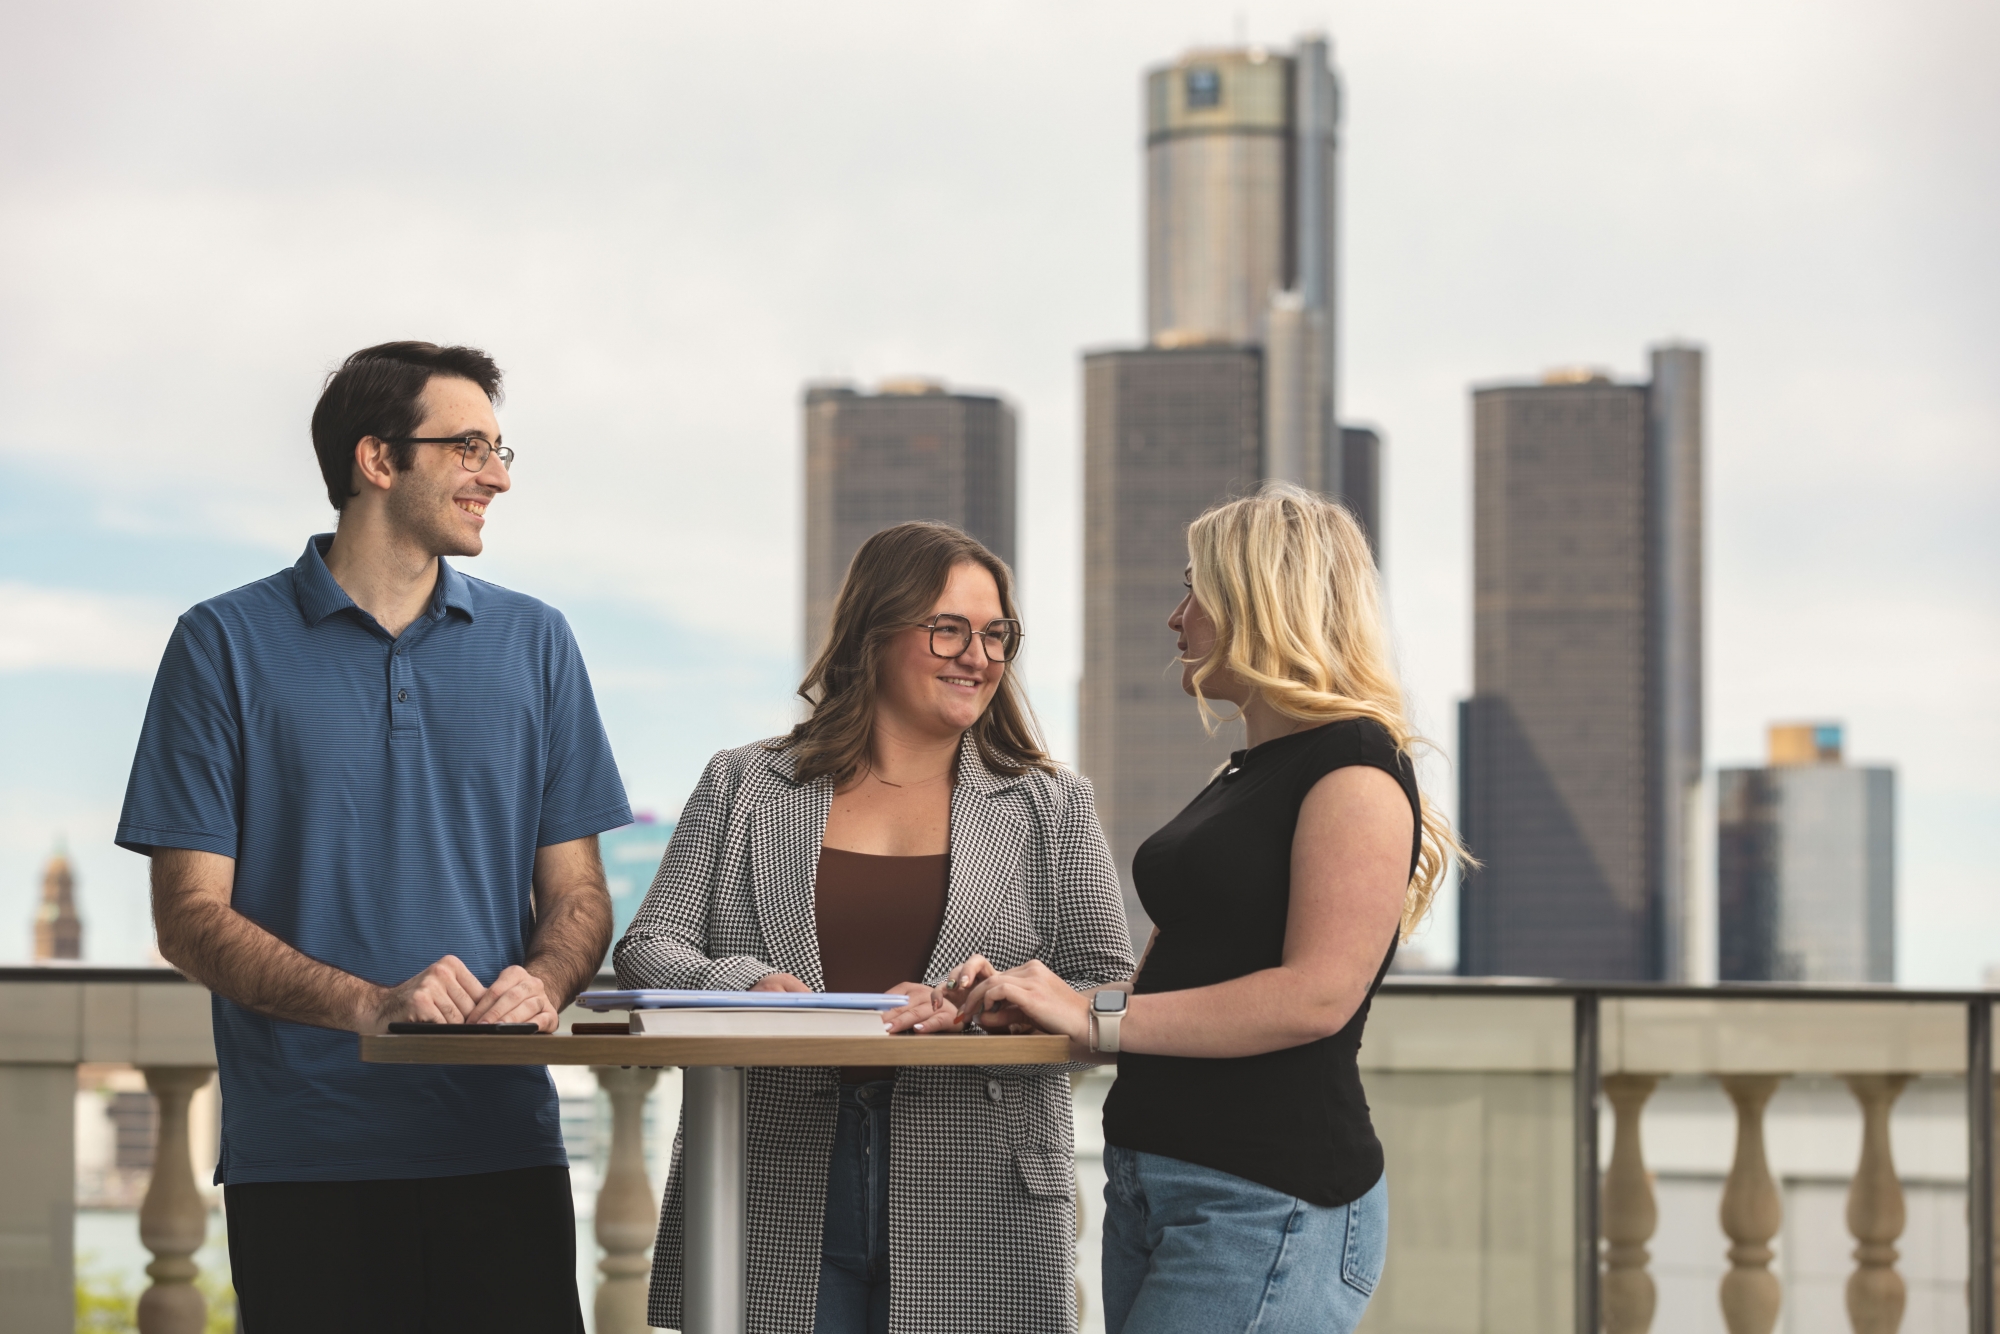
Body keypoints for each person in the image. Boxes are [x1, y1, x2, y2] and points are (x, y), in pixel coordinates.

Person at [116, 341, 631, 1333]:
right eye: (468, 446)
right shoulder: (220, 644)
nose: (499, 473)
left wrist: (546, 977)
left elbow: (577, 895)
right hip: (308, 1155)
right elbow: (187, 917)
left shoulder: (539, 643)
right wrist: (370, 1004)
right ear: (377, 460)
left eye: (501, 445)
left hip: (503, 1145)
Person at [954, 483, 1470, 1334]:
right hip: (1158, 1181)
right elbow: (1162, 994)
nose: (1176, 616)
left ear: (1260, 602)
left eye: (1196, 589)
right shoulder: (1247, 774)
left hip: (1266, 1201)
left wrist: (1094, 1015)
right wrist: (1036, 1002)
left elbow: (1313, 997)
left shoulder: (1355, 769)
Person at [615, 520, 1133, 1334]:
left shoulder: (1050, 805)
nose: (980, 656)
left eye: (997, 634)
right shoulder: (746, 782)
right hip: (772, 1172)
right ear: (874, 632)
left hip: (982, 1184)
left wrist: (1003, 997)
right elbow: (648, 944)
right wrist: (748, 985)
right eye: (950, 629)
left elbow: (1112, 984)